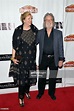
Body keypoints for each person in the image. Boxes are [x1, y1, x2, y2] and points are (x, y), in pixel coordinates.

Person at [9, 11, 38, 107]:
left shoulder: (34, 29)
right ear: (24, 20)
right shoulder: (18, 30)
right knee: (22, 80)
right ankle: (21, 97)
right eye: (29, 18)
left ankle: (27, 91)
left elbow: (39, 41)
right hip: (21, 59)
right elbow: (14, 45)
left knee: (29, 79)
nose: (31, 20)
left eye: (31, 18)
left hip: (31, 59)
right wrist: (13, 57)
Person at [36, 13, 65, 100]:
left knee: (52, 78)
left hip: (54, 59)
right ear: (44, 21)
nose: (49, 21)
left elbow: (61, 47)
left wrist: (61, 59)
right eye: (47, 20)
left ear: (53, 21)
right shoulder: (40, 32)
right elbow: (34, 43)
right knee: (42, 77)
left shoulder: (58, 33)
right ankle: (40, 92)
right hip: (43, 58)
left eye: (51, 19)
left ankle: (51, 93)